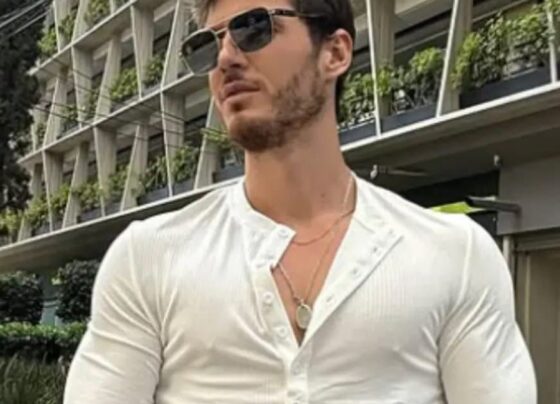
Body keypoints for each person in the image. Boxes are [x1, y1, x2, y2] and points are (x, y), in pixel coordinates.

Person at [64, 0, 537, 403]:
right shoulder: (150, 256)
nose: (225, 57)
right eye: (206, 45)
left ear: (335, 52)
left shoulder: (455, 254)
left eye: (253, 27)